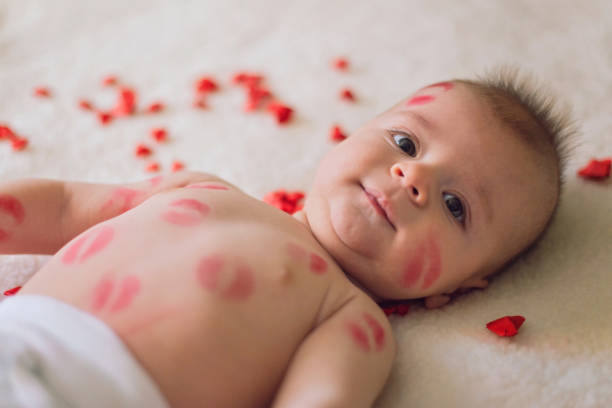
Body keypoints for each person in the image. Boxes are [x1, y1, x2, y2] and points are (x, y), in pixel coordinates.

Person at [0, 68, 574, 407]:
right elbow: (67, 204)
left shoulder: (351, 321)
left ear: (460, 287)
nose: (413, 177)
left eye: (455, 206)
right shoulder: (201, 188)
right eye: (405, 143)